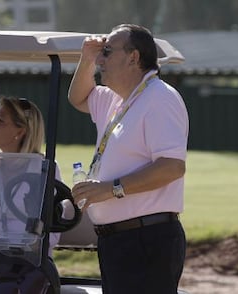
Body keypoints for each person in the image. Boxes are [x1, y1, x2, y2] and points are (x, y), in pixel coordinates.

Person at [68, 24, 189, 293]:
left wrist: (109, 190)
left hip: (145, 240)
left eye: (107, 52)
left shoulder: (160, 97)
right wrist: (87, 57)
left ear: (133, 57)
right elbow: (77, 98)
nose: (101, 59)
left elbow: (171, 167)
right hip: (117, 240)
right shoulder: (116, 99)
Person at [0, 96, 62, 255]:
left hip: (29, 260)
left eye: (0, 121)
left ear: (20, 131)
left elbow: (53, 226)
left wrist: (31, 248)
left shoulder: (44, 169)